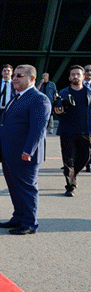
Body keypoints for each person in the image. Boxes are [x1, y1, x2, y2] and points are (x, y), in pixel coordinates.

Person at [0, 65, 51, 234]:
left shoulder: (38, 99)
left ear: (32, 78)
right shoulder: (16, 97)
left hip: (25, 155)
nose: (14, 79)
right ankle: (18, 217)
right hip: (9, 153)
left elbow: (38, 129)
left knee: (26, 188)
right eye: (14, 76)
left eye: (19, 76)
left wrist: (29, 150)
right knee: (14, 187)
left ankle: (29, 223)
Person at [53, 66, 91, 197]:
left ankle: (73, 174)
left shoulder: (89, 92)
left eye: (78, 74)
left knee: (85, 158)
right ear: (69, 77)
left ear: (83, 76)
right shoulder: (63, 93)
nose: (75, 76)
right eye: (73, 74)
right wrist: (59, 110)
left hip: (85, 130)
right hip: (67, 130)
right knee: (68, 160)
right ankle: (70, 186)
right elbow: (57, 112)